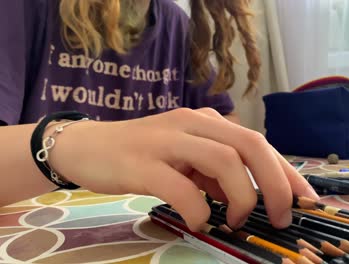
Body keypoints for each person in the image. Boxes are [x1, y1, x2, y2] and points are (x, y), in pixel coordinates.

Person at [0, 0, 319, 231]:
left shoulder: (176, 22)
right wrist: (63, 144)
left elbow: (223, 120)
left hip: (148, 229)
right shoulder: (23, 9)